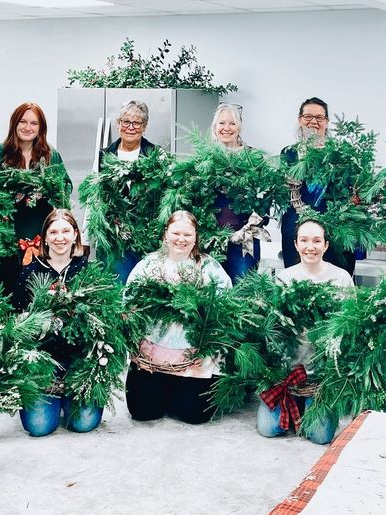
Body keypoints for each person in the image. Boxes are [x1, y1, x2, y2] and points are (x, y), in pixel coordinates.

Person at [125, 210, 232, 425]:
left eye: (187, 235)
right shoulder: (148, 266)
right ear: (165, 234)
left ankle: (179, 389)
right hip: (151, 361)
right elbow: (128, 306)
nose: (181, 240)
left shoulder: (210, 269)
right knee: (143, 412)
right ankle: (162, 386)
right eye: (175, 233)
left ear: (195, 238)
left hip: (194, 361)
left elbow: (224, 313)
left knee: (194, 415)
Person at [259, 219, 352, 444]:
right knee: (269, 429)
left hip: (321, 373)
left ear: (326, 245)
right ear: (296, 244)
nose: (310, 246)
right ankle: (294, 406)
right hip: (289, 370)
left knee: (320, 436)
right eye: (304, 240)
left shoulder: (341, 279)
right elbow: (274, 331)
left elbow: (349, 326)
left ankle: (309, 407)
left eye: (316, 241)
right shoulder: (285, 279)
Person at [11, 209, 101, 436]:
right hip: (43, 361)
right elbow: (17, 318)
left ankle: (71, 396)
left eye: (65, 231)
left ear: (75, 235)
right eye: (53, 232)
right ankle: (50, 397)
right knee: (39, 427)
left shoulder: (87, 271)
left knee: (82, 424)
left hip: (79, 360)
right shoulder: (30, 272)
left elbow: (101, 319)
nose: (59, 238)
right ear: (45, 237)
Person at [0, 102, 73, 296]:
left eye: (34, 123)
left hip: (42, 238)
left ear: (41, 128)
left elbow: (65, 189)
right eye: (23, 122)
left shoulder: (50, 155)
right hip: (6, 239)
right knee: (6, 292)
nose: (28, 127)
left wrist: (47, 191)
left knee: (39, 292)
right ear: (14, 124)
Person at [279, 97, 357, 275]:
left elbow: (352, 190)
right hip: (297, 230)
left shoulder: (342, 154)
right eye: (307, 116)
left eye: (319, 118)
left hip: (336, 230)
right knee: (296, 282)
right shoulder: (289, 154)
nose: (313, 121)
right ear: (299, 120)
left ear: (327, 122)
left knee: (337, 282)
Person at [94, 100, 158, 283]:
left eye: (136, 123)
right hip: (112, 239)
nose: (130, 127)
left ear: (144, 127)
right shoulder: (104, 156)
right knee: (115, 289)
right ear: (118, 123)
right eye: (126, 122)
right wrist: (87, 240)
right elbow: (94, 197)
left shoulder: (155, 155)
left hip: (146, 239)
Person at [209, 102, 266, 282]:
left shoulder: (253, 157)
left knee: (242, 290)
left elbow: (266, 195)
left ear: (239, 127)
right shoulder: (206, 157)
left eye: (232, 123)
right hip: (211, 239)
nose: (227, 128)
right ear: (215, 127)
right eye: (222, 123)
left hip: (244, 239)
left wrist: (253, 223)